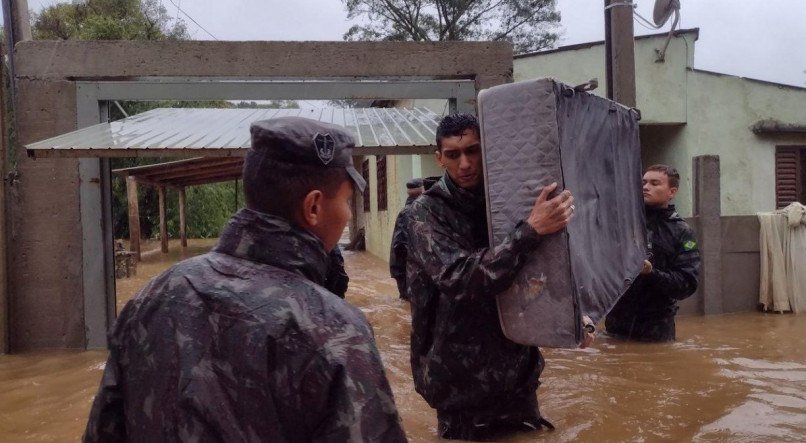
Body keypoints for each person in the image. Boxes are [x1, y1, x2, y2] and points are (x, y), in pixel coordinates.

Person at [84, 117, 407, 442]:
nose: (349, 214)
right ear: (313, 207)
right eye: (347, 201)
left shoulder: (150, 297)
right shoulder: (335, 331)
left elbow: (103, 431)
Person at [405, 113, 579, 441]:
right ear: (439, 158)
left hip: (517, 371)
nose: (466, 163)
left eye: (473, 151)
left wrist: (576, 319)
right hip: (458, 381)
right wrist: (530, 231)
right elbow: (459, 278)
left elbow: (546, 270)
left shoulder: (508, 202)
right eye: (454, 155)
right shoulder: (425, 213)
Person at [605, 164, 700, 342]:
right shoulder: (623, 224)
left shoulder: (682, 232)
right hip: (616, 325)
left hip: (656, 330)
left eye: (655, 183)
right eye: (644, 183)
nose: (646, 187)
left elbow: (686, 285)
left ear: (671, 192)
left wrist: (651, 273)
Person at [390, 178, 424, 300]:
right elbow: (400, 243)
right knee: (409, 303)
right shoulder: (410, 212)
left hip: (408, 270)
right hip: (406, 270)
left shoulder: (417, 210)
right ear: (421, 192)